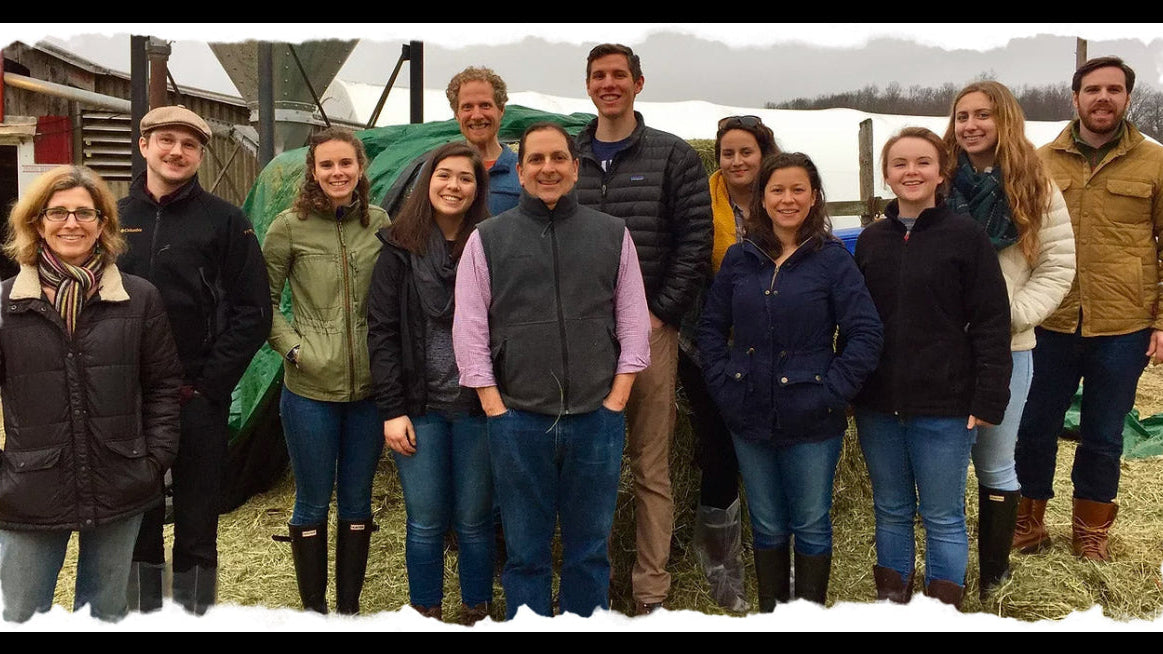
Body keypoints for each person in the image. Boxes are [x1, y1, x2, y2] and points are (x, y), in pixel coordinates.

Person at [452, 122, 651, 619]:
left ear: (575, 168)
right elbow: (470, 330)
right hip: (518, 419)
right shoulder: (487, 239)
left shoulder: (612, 234)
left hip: (596, 419)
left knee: (589, 551)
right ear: (519, 173)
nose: (548, 168)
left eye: (558, 158)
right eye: (536, 160)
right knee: (525, 554)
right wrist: (494, 408)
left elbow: (632, 320)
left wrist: (617, 399)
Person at [698, 152, 882, 611]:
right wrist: (725, 385)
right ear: (762, 198)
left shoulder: (833, 259)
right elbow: (710, 328)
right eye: (777, 190)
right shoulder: (742, 258)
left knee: (812, 522)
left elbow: (865, 332)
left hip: (812, 416)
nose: (787, 199)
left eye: (798, 189)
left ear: (815, 195)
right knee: (767, 524)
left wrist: (832, 390)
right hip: (749, 410)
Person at [0, 165, 183, 623]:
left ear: (103, 224)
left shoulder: (138, 299)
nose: (71, 223)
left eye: (85, 213)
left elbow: (162, 386)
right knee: (20, 612)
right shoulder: (5, 305)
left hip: (119, 478)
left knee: (105, 613)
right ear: (36, 222)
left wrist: (152, 460)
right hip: (31, 485)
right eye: (57, 212)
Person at [574, 43, 712, 615]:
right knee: (591, 464)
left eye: (619, 76)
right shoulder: (568, 157)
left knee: (651, 466)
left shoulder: (673, 157)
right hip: (582, 337)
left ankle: (649, 588)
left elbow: (694, 242)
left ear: (638, 83)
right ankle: (592, 585)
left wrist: (660, 313)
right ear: (588, 86)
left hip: (651, 330)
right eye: (599, 76)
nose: (610, 84)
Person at [118, 105, 271, 615]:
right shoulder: (113, 219)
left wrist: (208, 385)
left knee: (198, 523)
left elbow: (254, 312)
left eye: (189, 144)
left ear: (201, 155)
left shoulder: (225, 221)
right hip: (125, 399)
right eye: (166, 140)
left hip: (196, 398)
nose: (176, 151)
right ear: (144, 146)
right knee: (136, 521)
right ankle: (143, 616)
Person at [853, 127, 1012, 609]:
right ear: (886, 175)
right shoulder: (871, 240)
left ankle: (943, 609)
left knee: (943, 516)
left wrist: (988, 398)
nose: (911, 172)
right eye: (900, 164)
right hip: (879, 404)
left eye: (923, 162)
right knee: (892, 510)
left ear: (941, 173)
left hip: (945, 405)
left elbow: (990, 321)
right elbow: (855, 322)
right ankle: (893, 604)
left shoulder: (966, 237)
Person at [1014, 56, 1163, 562]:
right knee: (1034, 425)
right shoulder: (1037, 161)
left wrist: (1161, 321)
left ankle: (1090, 531)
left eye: (1114, 90)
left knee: (1103, 434)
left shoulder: (1155, 162)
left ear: (1128, 98)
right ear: (1074, 98)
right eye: (1093, 89)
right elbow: (1016, 241)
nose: (1104, 98)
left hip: (1123, 324)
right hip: (1050, 320)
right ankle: (1027, 522)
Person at [941, 80, 1076, 598]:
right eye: (962, 116)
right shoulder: (938, 181)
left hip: (1008, 349)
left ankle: (993, 576)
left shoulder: (1035, 186)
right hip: (943, 350)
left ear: (1006, 121)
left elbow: (1057, 267)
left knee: (995, 461)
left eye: (983, 115)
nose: (971, 125)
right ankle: (948, 571)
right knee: (946, 462)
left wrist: (1010, 317)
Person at [263, 127, 391, 615]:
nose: (337, 173)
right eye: (327, 165)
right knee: (313, 502)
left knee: (357, 504)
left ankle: (349, 610)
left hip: (368, 393)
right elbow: (263, 300)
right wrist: (295, 349)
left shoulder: (378, 223)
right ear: (313, 172)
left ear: (360, 169)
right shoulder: (288, 226)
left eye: (346, 164)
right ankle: (314, 610)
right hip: (310, 390)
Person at [367, 142, 493, 625]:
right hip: (418, 408)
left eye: (465, 178)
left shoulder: (489, 243)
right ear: (428, 182)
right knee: (424, 522)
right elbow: (382, 332)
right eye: (444, 175)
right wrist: (391, 410)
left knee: (475, 522)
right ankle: (426, 612)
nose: (453, 186)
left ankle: (475, 611)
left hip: (476, 407)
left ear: (476, 188)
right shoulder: (398, 249)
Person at [677, 114, 779, 612]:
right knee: (720, 448)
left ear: (764, 154)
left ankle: (775, 556)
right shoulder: (701, 200)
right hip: (709, 344)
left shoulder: (786, 195)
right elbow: (688, 264)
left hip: (774, 346)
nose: (736, 161)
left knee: (769, 446)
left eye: (746, 152)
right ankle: (721, 564)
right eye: (728, 153)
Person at [447, 66, 521, 215]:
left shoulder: (524, 172)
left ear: (501, 110)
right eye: (467, 107)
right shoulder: (438, 171)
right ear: (457, 115)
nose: (477, 115)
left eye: (485, 105)